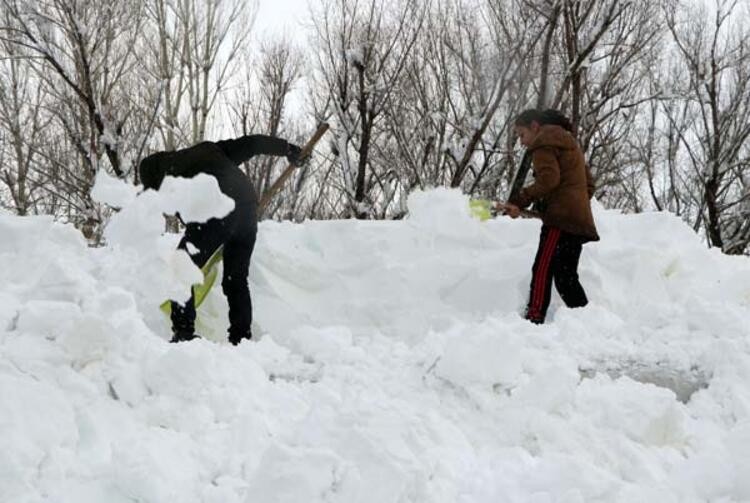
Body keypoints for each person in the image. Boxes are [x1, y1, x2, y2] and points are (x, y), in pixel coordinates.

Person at [139, 134, 306, 344]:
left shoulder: (168, 178)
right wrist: (287, 148)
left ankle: (183, 332)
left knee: (181, 268)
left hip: (217, 212)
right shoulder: (208, 149)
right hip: (247, 211)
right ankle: (241, 337)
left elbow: (189, 217)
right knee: (236, 279)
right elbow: (251, 144)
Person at [503, 109, 599, 324]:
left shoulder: (544, 142)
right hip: (578, 221)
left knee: (542, 269)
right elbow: (589, 185)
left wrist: (521, 199)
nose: (522, 142)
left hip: (560, 221)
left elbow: (549, 180)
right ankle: (589, 322)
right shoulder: (569, 144)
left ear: (535, 127)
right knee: (565, 277)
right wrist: (570, 203)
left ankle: (534, 318)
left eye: (521, 134)